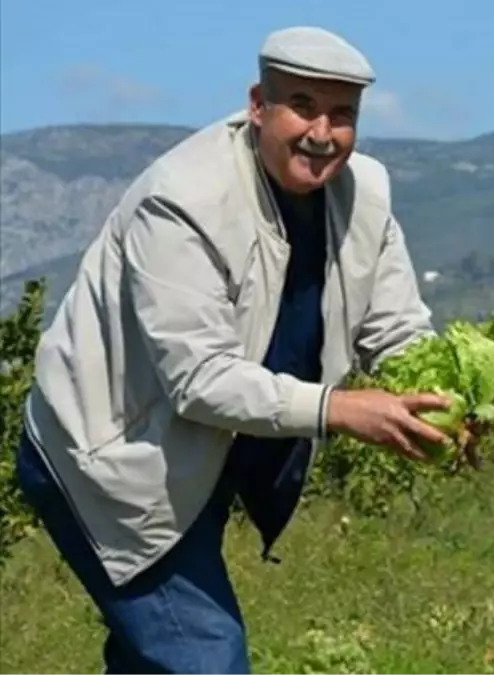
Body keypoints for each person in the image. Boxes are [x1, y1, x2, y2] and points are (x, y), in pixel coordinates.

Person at [15, 25, 457, 674]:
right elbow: (195, 378)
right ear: (258, 104)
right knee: (204, 658)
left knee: (157, 660)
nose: (322, 132)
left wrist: (448, 398)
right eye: (302, 106)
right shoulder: (183, 198)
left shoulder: (364, 194)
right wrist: (341, 408)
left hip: (201, 460)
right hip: (114, 461)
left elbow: (394, 333)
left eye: (342, 115)